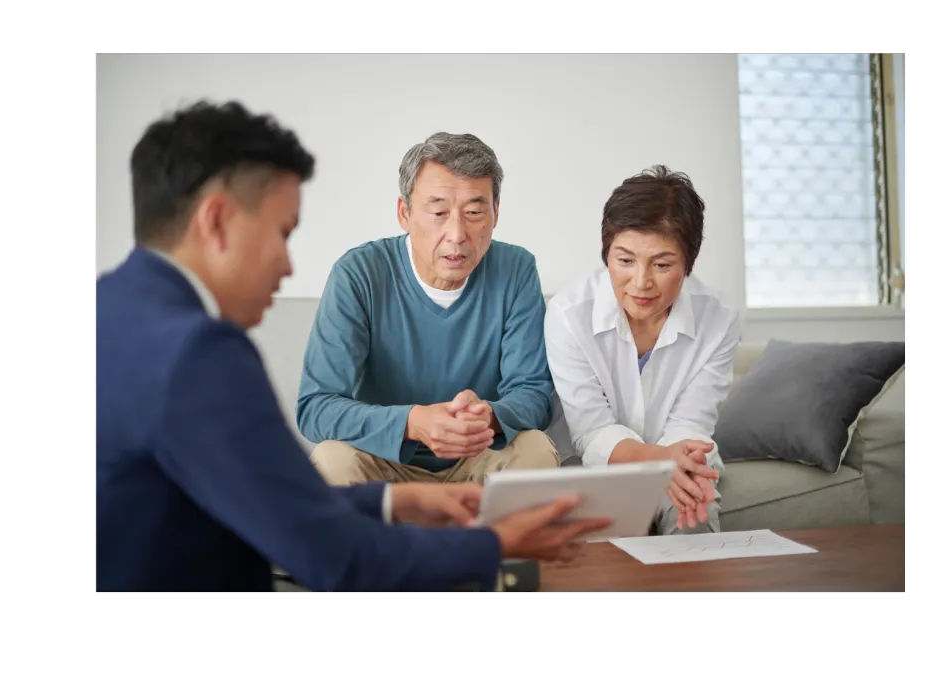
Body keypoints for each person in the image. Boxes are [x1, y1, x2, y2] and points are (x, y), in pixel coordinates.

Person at [95, 100, 609, 593]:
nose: (289, 266)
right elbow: (327, 549)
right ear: (215, 221)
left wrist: (392, 503)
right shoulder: (200, 353)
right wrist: (491, 543)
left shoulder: (113, 313)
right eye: (282, 232)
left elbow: (278, 503)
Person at [296, 131, 559, 487]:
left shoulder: (516, 269)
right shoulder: (359, 273)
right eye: (438, 212)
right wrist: (413, 422)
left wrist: (489, 417)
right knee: (331, 460)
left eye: (474, 212)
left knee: (536, 450)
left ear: (495, 214)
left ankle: (504, 544)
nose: (456, 233)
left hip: (478, 458)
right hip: (384, 460)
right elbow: (316, 407)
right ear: (404, 213)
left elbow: (534, 394)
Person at [543, 165, 741, 536]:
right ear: (606, 255)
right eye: (625, 261)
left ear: (688, 263)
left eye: (662, 265)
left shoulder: (719, 317)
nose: (641, 282)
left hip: (678, 457)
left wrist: (674, 466)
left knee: (694, 513)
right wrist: (659, 463)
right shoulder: (569, 314)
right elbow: (591, 431)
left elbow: (691, 424)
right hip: (594, 465)